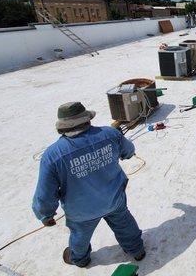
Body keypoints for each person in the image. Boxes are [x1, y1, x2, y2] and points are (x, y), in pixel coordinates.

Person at [32, 102, 145, 268]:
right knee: (124, 223)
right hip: (114, 199)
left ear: (62, 127)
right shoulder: (110, 134)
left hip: (81, 211)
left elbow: (45, 193)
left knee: (79, 235)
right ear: (87, 120)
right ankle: (137, 250)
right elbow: (128, 151)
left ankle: (80, 259)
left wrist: (45, 214)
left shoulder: (52, 155)